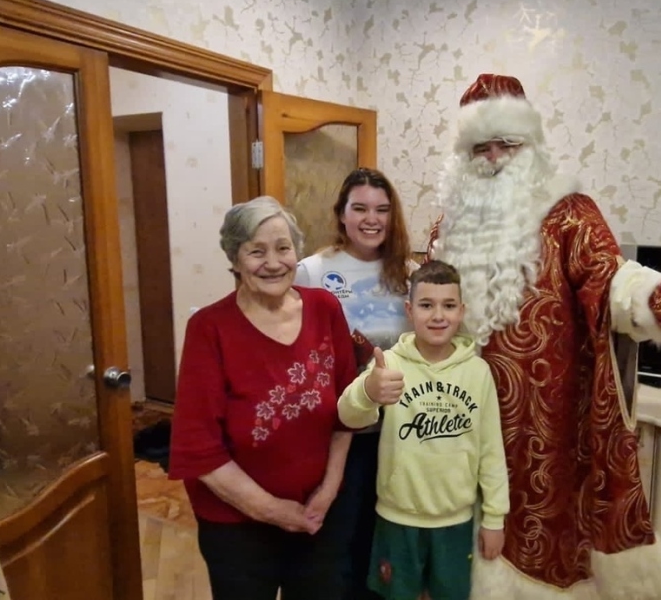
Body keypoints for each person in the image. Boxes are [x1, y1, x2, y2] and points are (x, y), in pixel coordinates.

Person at [426, 73, 661, 599]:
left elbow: (608, 277)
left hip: (542, 424)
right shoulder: (449, 226)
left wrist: (651, 297)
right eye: (480, 148)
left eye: (506, 143)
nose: (494, 157)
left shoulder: (569, 213)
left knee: (534, 537)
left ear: (530, 145)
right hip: (458, 411)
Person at [167, 196, 358, 600]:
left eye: (283, 248)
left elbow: (347, 411)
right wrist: (273, 510)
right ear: (235, 259)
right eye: (257, 251)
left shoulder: (325, 308)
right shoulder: (209, 329)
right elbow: (199, 449)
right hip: (237, 525)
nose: (273, 263)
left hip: (319, 514)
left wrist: (328, 490)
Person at [338, 260, 509, 600]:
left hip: (455, 521)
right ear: (409, 310)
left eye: (448, 306)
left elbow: (491, 450)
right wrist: (368, 391)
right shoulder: (389, 364)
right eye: (427, 305)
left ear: (461, 311)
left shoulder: (478, 372)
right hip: (397, 519)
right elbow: (348, 415)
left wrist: (494, 518)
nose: (438, 316)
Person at [295, 167, 416, 600]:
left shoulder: (410, 274)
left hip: (397, 433)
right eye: (360, 208)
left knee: (380, 541)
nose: (371, 219)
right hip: (337, 434)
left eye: (382, 210)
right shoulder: (311, 272)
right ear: (341, 214)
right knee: (334, 543)